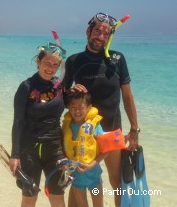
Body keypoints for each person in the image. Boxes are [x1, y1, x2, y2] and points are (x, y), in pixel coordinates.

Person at [62, 12, 140, 207]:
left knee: (117, 183)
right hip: (81, 132)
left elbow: (127, 96)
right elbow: (62, 98)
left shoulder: (117, 59)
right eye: (97, 31)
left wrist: (134, 129)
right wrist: (70, 92)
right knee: (77, 180)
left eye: (106, 34)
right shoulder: (73, 61)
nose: (101, 37)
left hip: (111, 132)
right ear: (88, 31)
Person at [9, 43, 67, 207]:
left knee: (57, 196)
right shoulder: (26, 87)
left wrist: (80, 92)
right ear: (38, 62)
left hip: (55, 149)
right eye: (47, 63)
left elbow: (75, 108)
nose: (51, 68)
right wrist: (15, 155)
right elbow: (18, 122)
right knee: (29, 196)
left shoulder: (59, 87)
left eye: (55, 65)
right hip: (30, 150)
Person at [63, 90, 108, 207]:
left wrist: (92, 164)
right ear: (68, 107)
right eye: (73, 107)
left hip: (95, 176)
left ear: (89, 107)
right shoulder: (67, 126)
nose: (77, 111)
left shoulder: (95, 125)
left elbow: (106, 150)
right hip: (76, 177)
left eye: (81, 107)